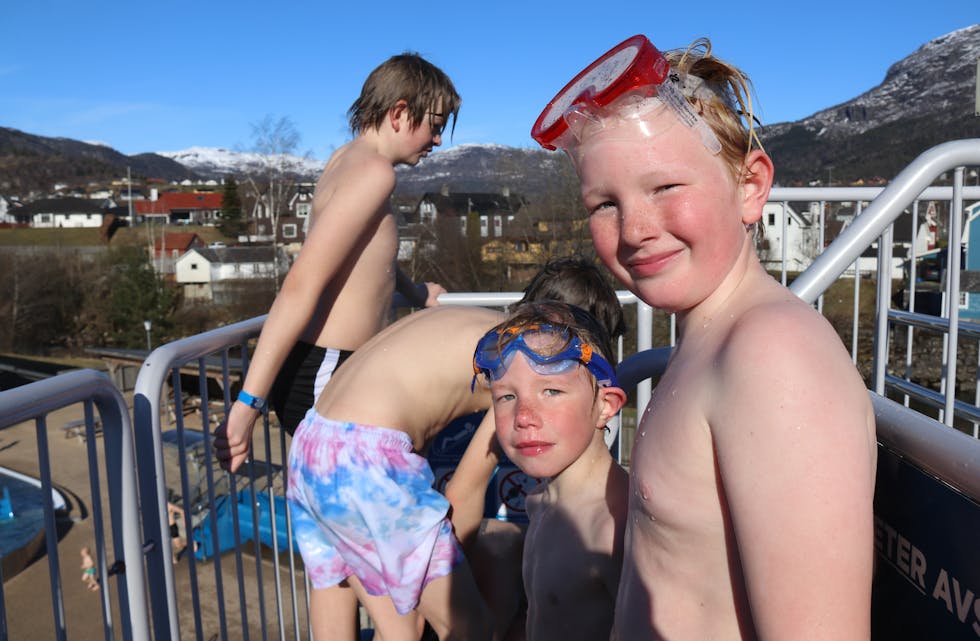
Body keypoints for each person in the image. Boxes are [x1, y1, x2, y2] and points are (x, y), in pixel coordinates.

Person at [530, 35, 878, 640]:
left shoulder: (772, 356)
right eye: (603, 204)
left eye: (666, 188)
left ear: (749, 187)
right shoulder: (708, 345)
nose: (635, 229)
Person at [275, 258, 624, 641]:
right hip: (365, 462)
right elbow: (464, 491)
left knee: (335, 585)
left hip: (314, 442)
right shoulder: (516, 360)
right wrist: (451, 568)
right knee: (460, 625)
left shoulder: (473, 322)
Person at [214, 51, 457, 473]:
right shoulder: (374, 174)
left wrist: (416, 292)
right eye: (435, 126)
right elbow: (300, 286)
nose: (438, 140)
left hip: (332, 367)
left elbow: (363, 255)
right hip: (326, 371)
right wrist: (247, 403)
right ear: (400, 113)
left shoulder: (348, 159)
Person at [470, 301, 628, 641]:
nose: (524, 416)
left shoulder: (614, 527)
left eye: (551, 391)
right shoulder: (539, 502)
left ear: (605, 406)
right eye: (507, 397)